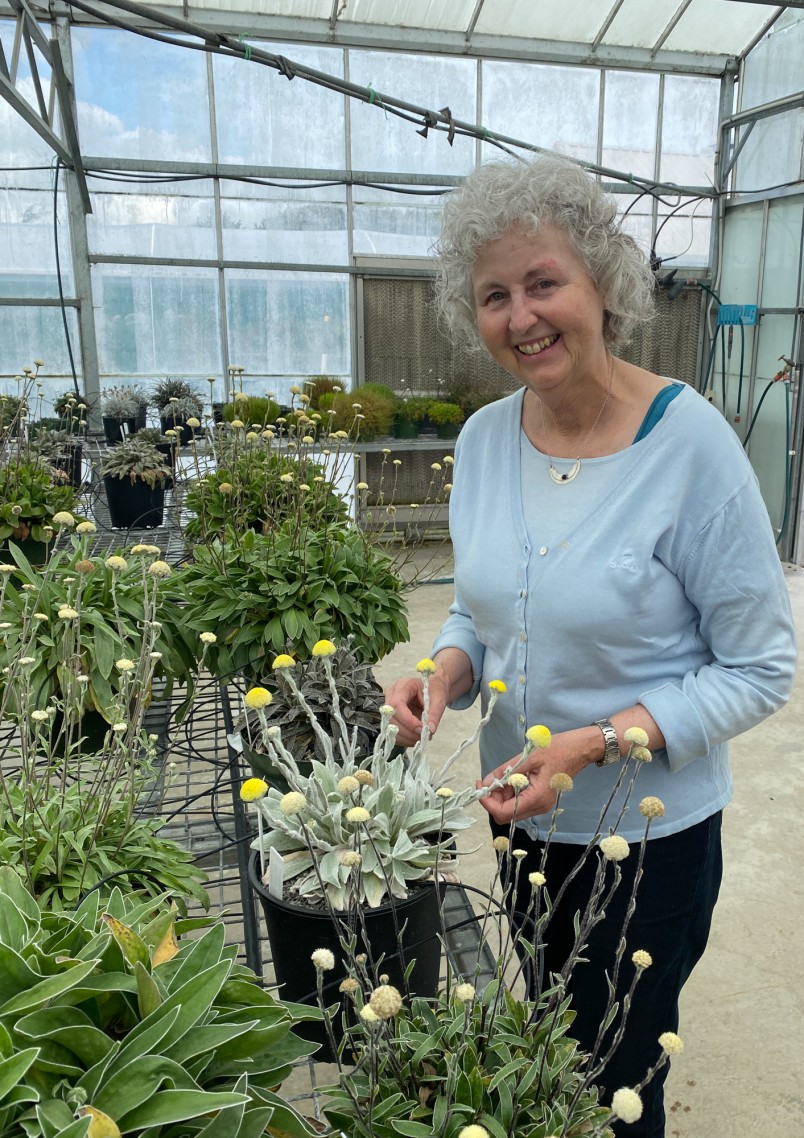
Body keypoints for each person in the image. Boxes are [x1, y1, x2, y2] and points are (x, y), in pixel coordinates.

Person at [384, 156, 796, 1137]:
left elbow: (761, 665)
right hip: (519, 819)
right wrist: (444, 669)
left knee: (617, 1082)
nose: (521, 316)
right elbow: (483, 610)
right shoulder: (486, 439)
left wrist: (590, 744)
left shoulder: (688, 448)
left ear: (605, 286)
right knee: (557, 1054)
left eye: (543, 282)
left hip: (648, 838)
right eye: (494, 295)